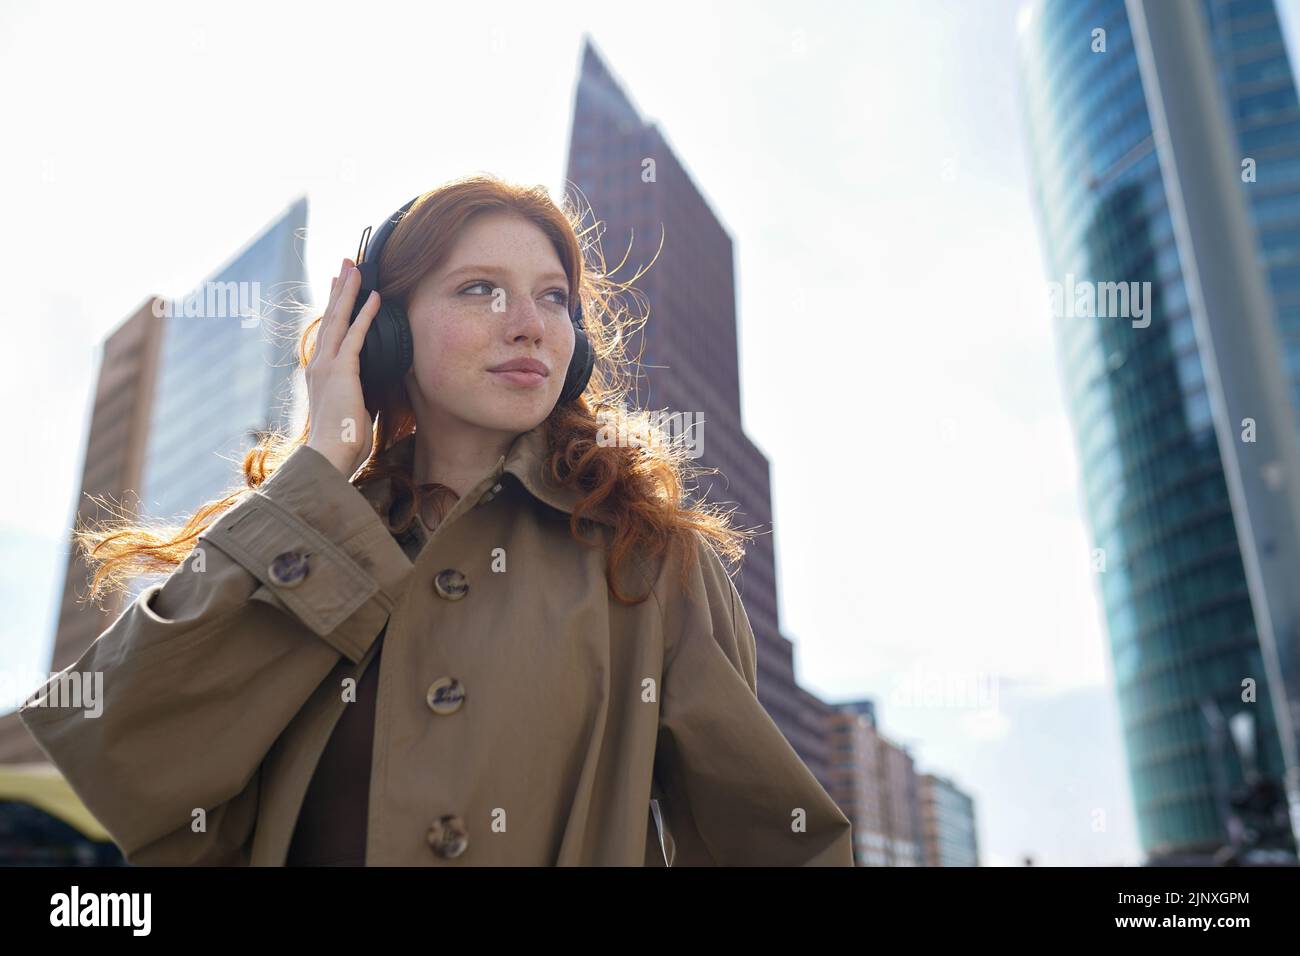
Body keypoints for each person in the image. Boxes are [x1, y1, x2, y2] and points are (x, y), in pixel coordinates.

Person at [19, 173, 853, 866]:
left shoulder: (649, 561)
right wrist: (321, 467)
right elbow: (126, 753)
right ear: (382, 335)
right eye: (480, 289)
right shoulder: (300, 536)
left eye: (553, 297)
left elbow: (780, 845)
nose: (528, 322)